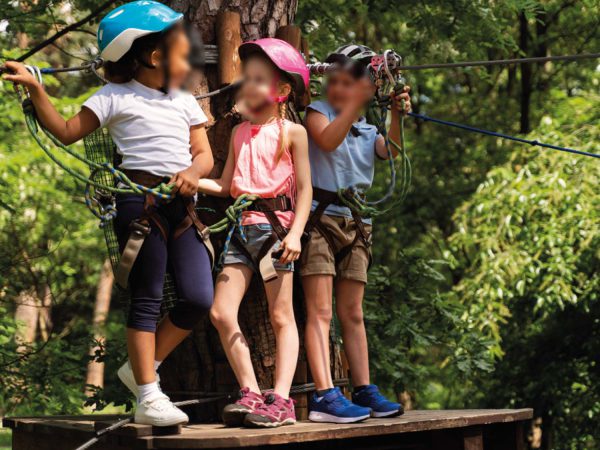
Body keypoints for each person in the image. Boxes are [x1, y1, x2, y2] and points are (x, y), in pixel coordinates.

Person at [2, 1, 215, 427]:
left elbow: (204, 154)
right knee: (147, 298)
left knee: (197, 298)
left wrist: (193, 172)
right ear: (155, 57)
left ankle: (141, 367)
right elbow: (65, 131)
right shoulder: (113, 97)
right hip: (140, 206)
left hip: (182, 207)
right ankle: (148, 394)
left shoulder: (184, 99)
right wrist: (36, 90)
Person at [198, 38, 311, 428]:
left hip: (274, 233)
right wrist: (189, 179)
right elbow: (228, 184)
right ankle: (251, 391)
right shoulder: (239, 133)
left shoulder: (292, 131)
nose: (248, 84)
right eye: (247, 77)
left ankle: (282, 399)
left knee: (282, 316)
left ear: (281, 92)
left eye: (259, 79)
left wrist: (296, 234)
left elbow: (306, 189)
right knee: (220, 311)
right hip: (239, 232)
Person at [300, 44, 412, 423]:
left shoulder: (366, 129)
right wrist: (355, 102)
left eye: (347, 83)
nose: (335, 89)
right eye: (332, 81)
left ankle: (363, 388)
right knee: (320, 311)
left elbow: (391, 150)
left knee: (352, 312)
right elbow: (327, 140)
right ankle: (324, 395)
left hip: (357, 223)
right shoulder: (318, 113)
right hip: (320, 220)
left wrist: (395, 113)